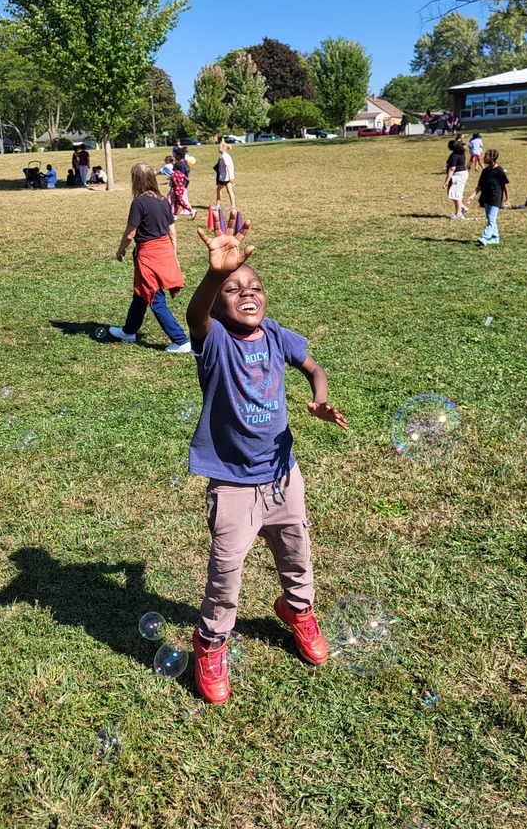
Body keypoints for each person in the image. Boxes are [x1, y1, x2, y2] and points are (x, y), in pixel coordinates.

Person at [185, 210, 348, 703]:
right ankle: (210, 642)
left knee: (297, 553)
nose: (247, 293)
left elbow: (313, 367)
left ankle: (297, 610)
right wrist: (215, 275)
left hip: (283, 473)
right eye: (233, 290)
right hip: (233, 482)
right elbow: (196, 314)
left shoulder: (276, 335)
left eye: (253, 285)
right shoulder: (213, 341)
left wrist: (319, 397)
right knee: (226, 571)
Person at [109, 163, 191, 352]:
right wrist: (174, 255)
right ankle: (129, 331)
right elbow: (173, 232)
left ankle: (181, 341)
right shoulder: (163, 200)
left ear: (135, 181)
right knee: (141, 294)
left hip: (148, 255)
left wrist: (120, 250)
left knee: (155, 297)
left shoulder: (138, 202)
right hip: (164, 251)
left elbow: (130, 234)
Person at [465, 149, 511, 246]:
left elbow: (505, 186)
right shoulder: (485, 171)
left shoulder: (499, 171)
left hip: (495, 198)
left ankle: (484, 238)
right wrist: (472, 196)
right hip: (486, 197)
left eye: (486, 156)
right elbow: (480, 185)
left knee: (491, 219)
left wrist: (507, 199)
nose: (484, 157)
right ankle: (495, 238)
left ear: (492, 158)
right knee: (490, 219)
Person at [443, 139, 469, 219]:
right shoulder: (461, 153)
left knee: (456, 193)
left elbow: (452, 168)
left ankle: (459, 213)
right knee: (453, 193)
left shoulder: (454, 156)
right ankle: (462, 207)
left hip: (458, 175)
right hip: (461, 174)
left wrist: (446, 181)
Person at [169, 146, 196, 219]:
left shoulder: (179, 165)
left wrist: (172, 187)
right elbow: (187, 177)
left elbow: (174, 179)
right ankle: (175, 215)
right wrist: (185, 185)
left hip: (178, 187)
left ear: (179, 156)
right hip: (182, 186)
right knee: (177, 201)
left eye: (176, 155)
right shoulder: (185, 164)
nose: (175, 156)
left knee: (180, 201)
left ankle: (191, 211)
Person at [214, 141, 236, 211]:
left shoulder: (224, 156)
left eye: (219, 147)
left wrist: (229, 177)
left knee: (219, 189)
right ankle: (233, 206)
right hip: (227, 176)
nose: (218, 149)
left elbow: (228, 166)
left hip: (224, 177)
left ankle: (218, 205)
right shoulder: (226, 155)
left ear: (223, 148)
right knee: (230, 191)